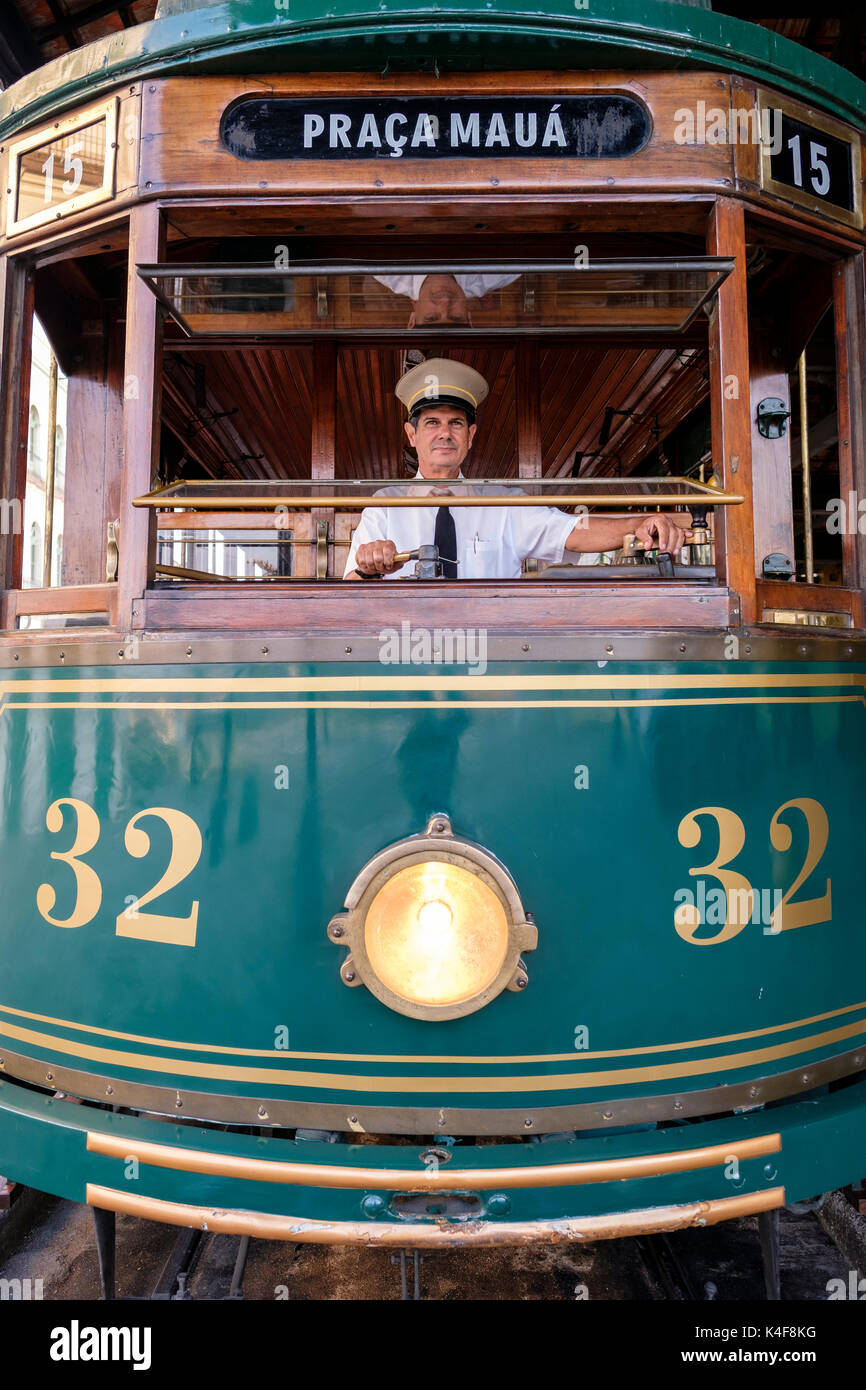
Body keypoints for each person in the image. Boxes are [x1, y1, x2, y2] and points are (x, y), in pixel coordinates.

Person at [343, 358, 687, 580]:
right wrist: (368, 567)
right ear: (412, 434)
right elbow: (351, 587)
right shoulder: (385, 504)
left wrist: (640, 523)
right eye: (432, 422)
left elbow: (574, 532)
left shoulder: (504, 503)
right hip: (403, 651)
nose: (444, 433)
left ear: (471, 436)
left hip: (490, 658)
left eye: (456, 423)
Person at [373, 273, 519, 326]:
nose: (445, 303)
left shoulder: (384, 268)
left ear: (412, 320)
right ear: (468, 317)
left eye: (431, 318)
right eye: (456, 318)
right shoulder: (499, 273)